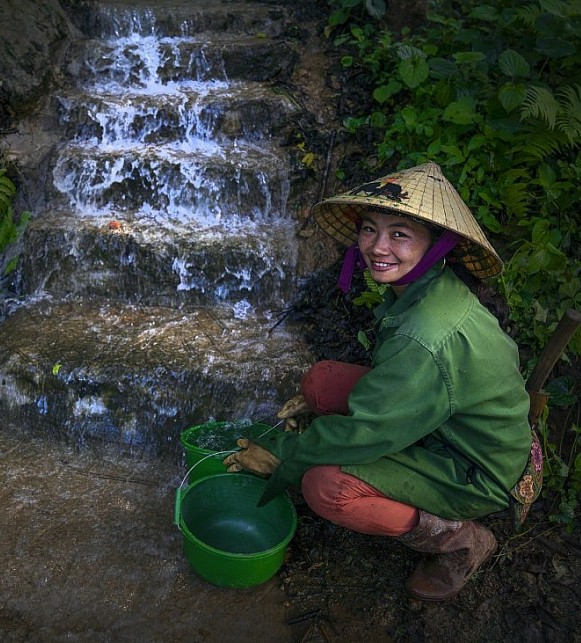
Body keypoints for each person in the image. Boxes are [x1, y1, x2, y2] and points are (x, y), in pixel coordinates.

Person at [224, 161, 537, 602]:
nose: (377, 247)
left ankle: (461, 541)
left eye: (400, 234)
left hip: (473, 467)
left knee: (324, 487)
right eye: (369, 229)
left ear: (436, 245)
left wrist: (283, 455)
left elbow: (368, 430)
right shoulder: (428, 287)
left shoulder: (425, 335)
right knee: (321, 381)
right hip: (443, 420)